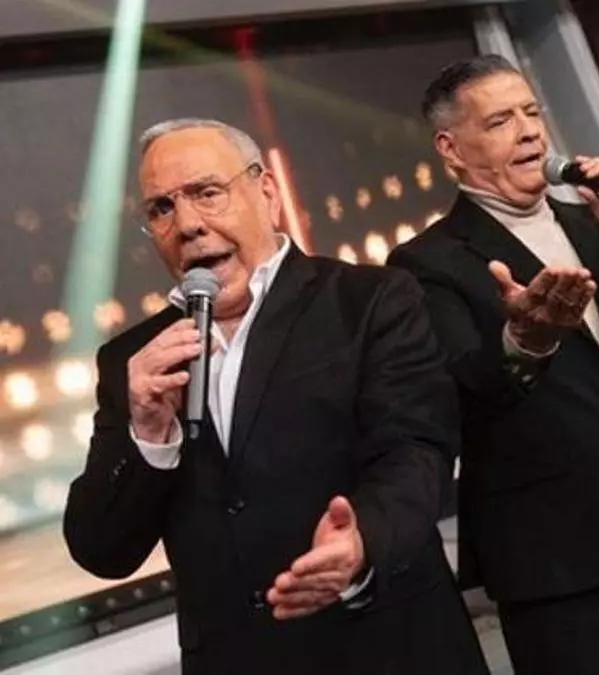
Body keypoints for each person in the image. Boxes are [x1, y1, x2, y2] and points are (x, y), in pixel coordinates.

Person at [62, 118, 488, 675]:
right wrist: (147, 433)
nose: (187, 224)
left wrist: (363, 539)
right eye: (162, 208)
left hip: (388, 647)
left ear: (266, 193)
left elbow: (416, 451)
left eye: (207, 193)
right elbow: (101, 549)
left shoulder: (369, 300)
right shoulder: (135, 362)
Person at [387, 55, 599, 675]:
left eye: (532, 113)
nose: (528, 132)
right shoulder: (427, 263)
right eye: (500, 121)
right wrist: (525, 340)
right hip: (553, 564)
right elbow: (454, 401)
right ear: (451, 149)